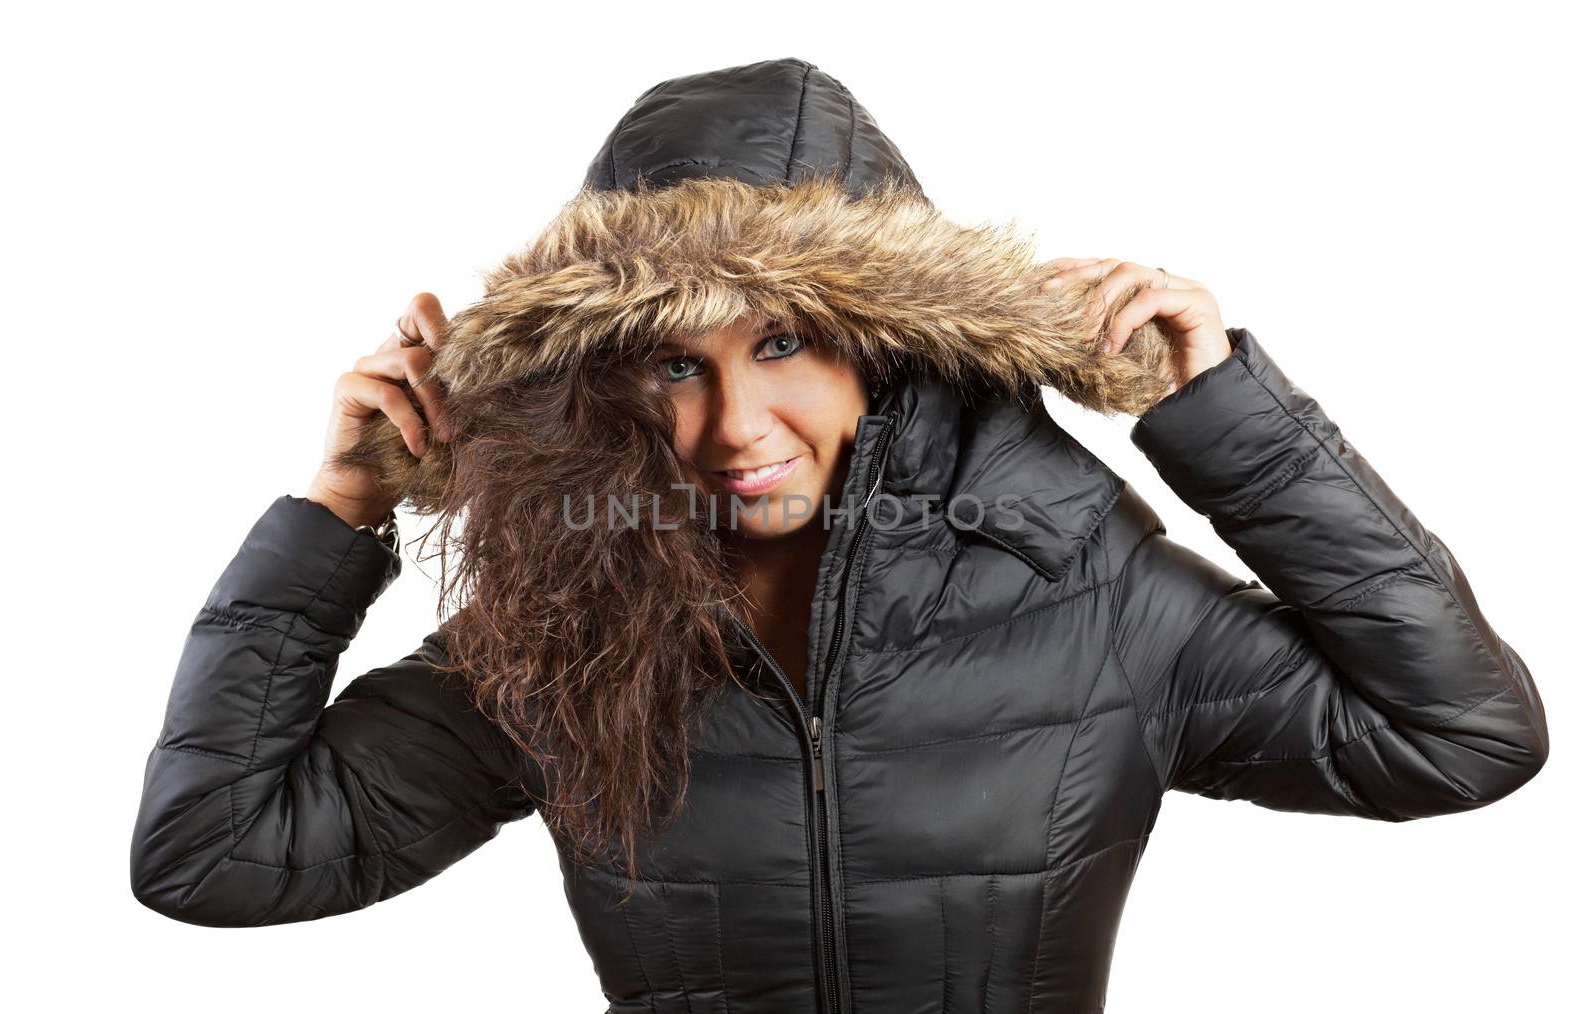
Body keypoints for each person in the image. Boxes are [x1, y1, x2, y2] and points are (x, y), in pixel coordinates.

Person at [129, 57, 1549, 1013]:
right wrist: (340, 514)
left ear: (887, 345)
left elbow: (1462, 737)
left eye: (789, 342)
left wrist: (1221, 410)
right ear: (612, 381)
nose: (737, 420)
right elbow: (214, 855)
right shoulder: (562, 631)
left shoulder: (1085, 588)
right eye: (674, 363)